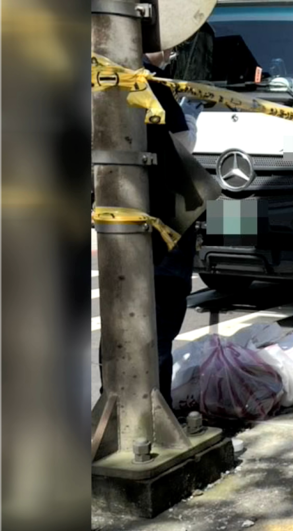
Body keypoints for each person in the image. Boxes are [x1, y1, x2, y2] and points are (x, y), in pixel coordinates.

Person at [97, 48, 206, 412]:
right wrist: (190, 122)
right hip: (165, 227)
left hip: (118, 227)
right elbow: (181, 143)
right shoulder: (147, 81)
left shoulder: (100, 78)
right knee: (156, 327)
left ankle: (118, 406)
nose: (174, 50)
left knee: (119, 323)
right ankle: (150, 413)